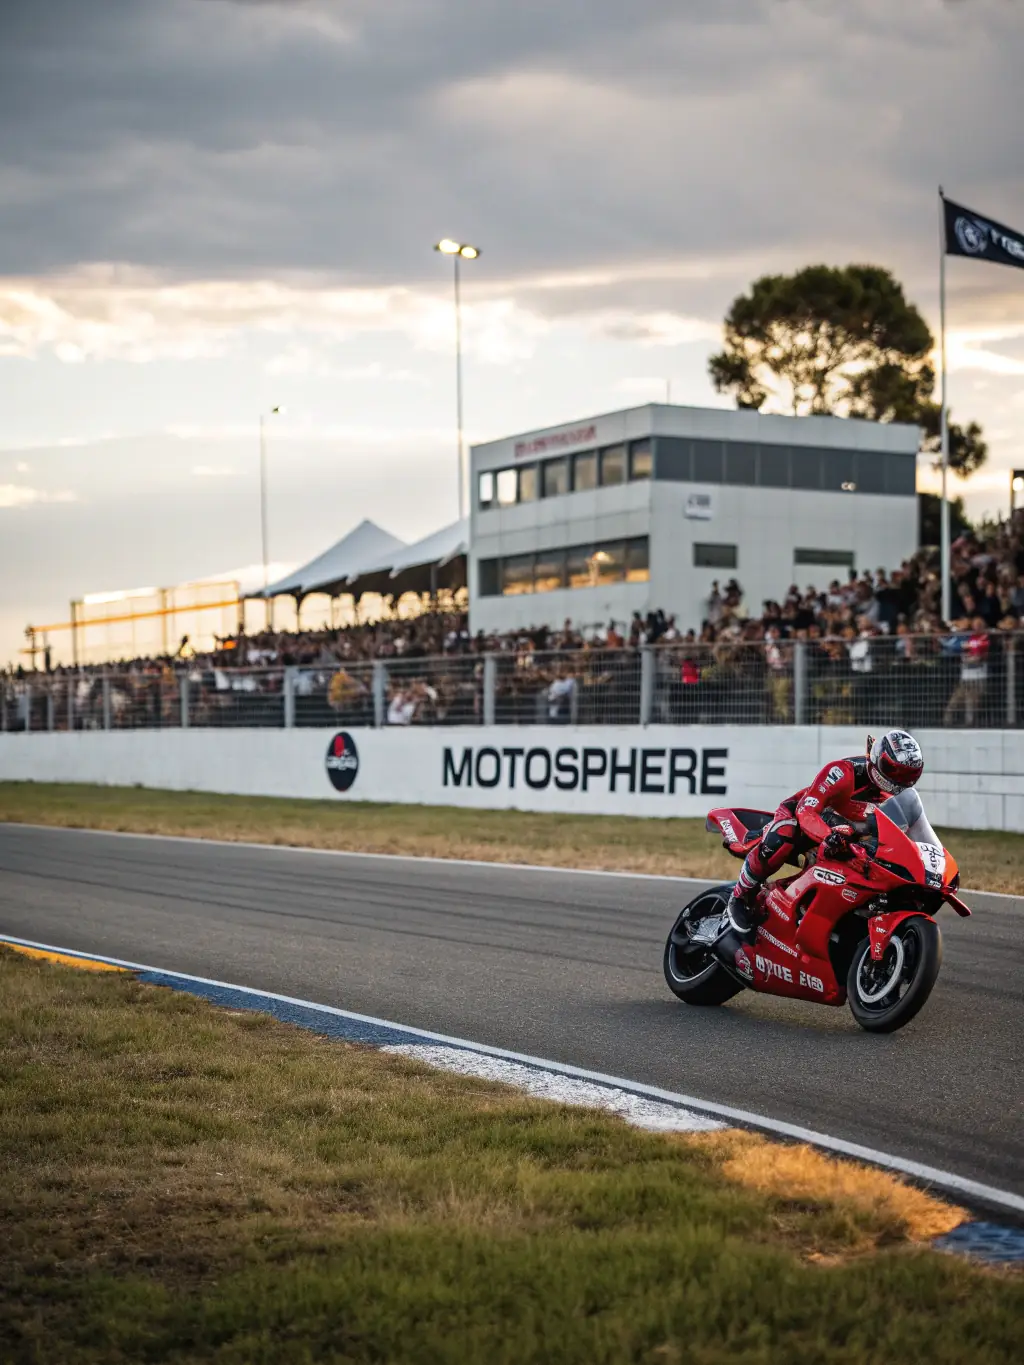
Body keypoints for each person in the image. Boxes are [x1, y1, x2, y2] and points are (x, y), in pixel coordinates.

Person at [725, 729, 925, 935]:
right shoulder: (843, 772)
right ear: (876, 756)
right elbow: (806, 811)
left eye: (906, 777)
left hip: (849, 836)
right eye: (891, 769)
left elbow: (902, 834)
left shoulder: (899, 799)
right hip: (804, 819)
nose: (896, 780)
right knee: (784, 836)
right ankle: (741, 894)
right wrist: (829, 836)